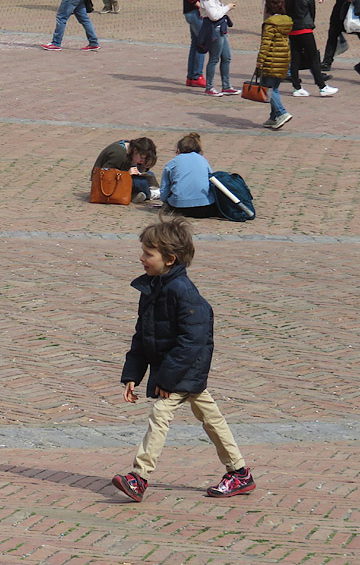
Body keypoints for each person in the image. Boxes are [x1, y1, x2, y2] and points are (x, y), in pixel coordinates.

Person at [111, 217, 255, 503]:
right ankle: (239, 473)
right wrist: (132, 375)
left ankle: (139, 477)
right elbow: (143, 335)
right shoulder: (152, 288)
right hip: (177, 370)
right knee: (212, 418)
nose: (142, 258)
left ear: (170, 259)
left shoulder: (183, 292)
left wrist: (167, 379)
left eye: (148, 254)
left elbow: (193, 341)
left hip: (185, 369)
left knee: (160, 415)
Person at [285, 0, 337, 97]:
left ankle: (297, 87)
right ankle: (322, 86)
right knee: (314, 58)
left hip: (293, 30)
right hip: (305, 30)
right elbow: (312, 13)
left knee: (295, 58)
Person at [256, 0, 293, 129]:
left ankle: (281, 112)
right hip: (283, 60)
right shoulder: (287, 21)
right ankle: (273, 117)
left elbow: (265, 44)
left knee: (268, 89)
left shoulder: (270, 24)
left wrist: (260, 61)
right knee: (275, 88)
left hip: (272, 60)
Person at [199, 0, 239, 96]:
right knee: (214, 58)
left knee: (227, 57)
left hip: (220, 29)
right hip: (214, 30)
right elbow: (214, 16)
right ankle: (209, 87)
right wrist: (227, 7)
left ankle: (226, 86)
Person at [159, 133, 217, 217]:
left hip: (179, 207)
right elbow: (211, 180)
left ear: (178, 150)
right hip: (204, 207)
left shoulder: (171, 163)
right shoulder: (203, 160)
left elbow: (164, 193)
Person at [92, 137, 158, 203]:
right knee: (141, 182)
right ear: (135, 150)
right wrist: (127, 174)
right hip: (104, 183)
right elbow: (107, 175)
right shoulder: (118, 153)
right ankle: (150, 194)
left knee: (150, 175)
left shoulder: (130, 150)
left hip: (118, 176)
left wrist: (143, 167)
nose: (142, 161)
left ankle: (134, 194)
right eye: (142, 158)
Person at [183, 0, 211, 87]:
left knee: (195, 43)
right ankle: (196, 75)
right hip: (194, 11)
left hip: (192, 11)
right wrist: (199, 5)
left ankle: (191, 76)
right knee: (202, 44)